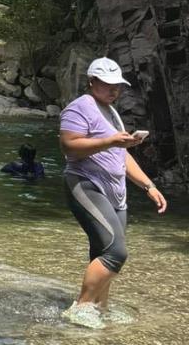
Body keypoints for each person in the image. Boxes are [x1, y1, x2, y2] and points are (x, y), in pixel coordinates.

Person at [58, 57, 167, 329]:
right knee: (115, 251)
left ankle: (100, 307)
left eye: (117, 85)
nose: (113, 90)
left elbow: (122, 156)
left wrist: (149, 186)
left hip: (116, 193)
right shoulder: (79, 107)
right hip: (86, 184)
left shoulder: (111, 111)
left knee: (101, 250)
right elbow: (69, 147)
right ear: (91, 82)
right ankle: (81, 306)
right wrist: (111, 140)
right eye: (106, 84)